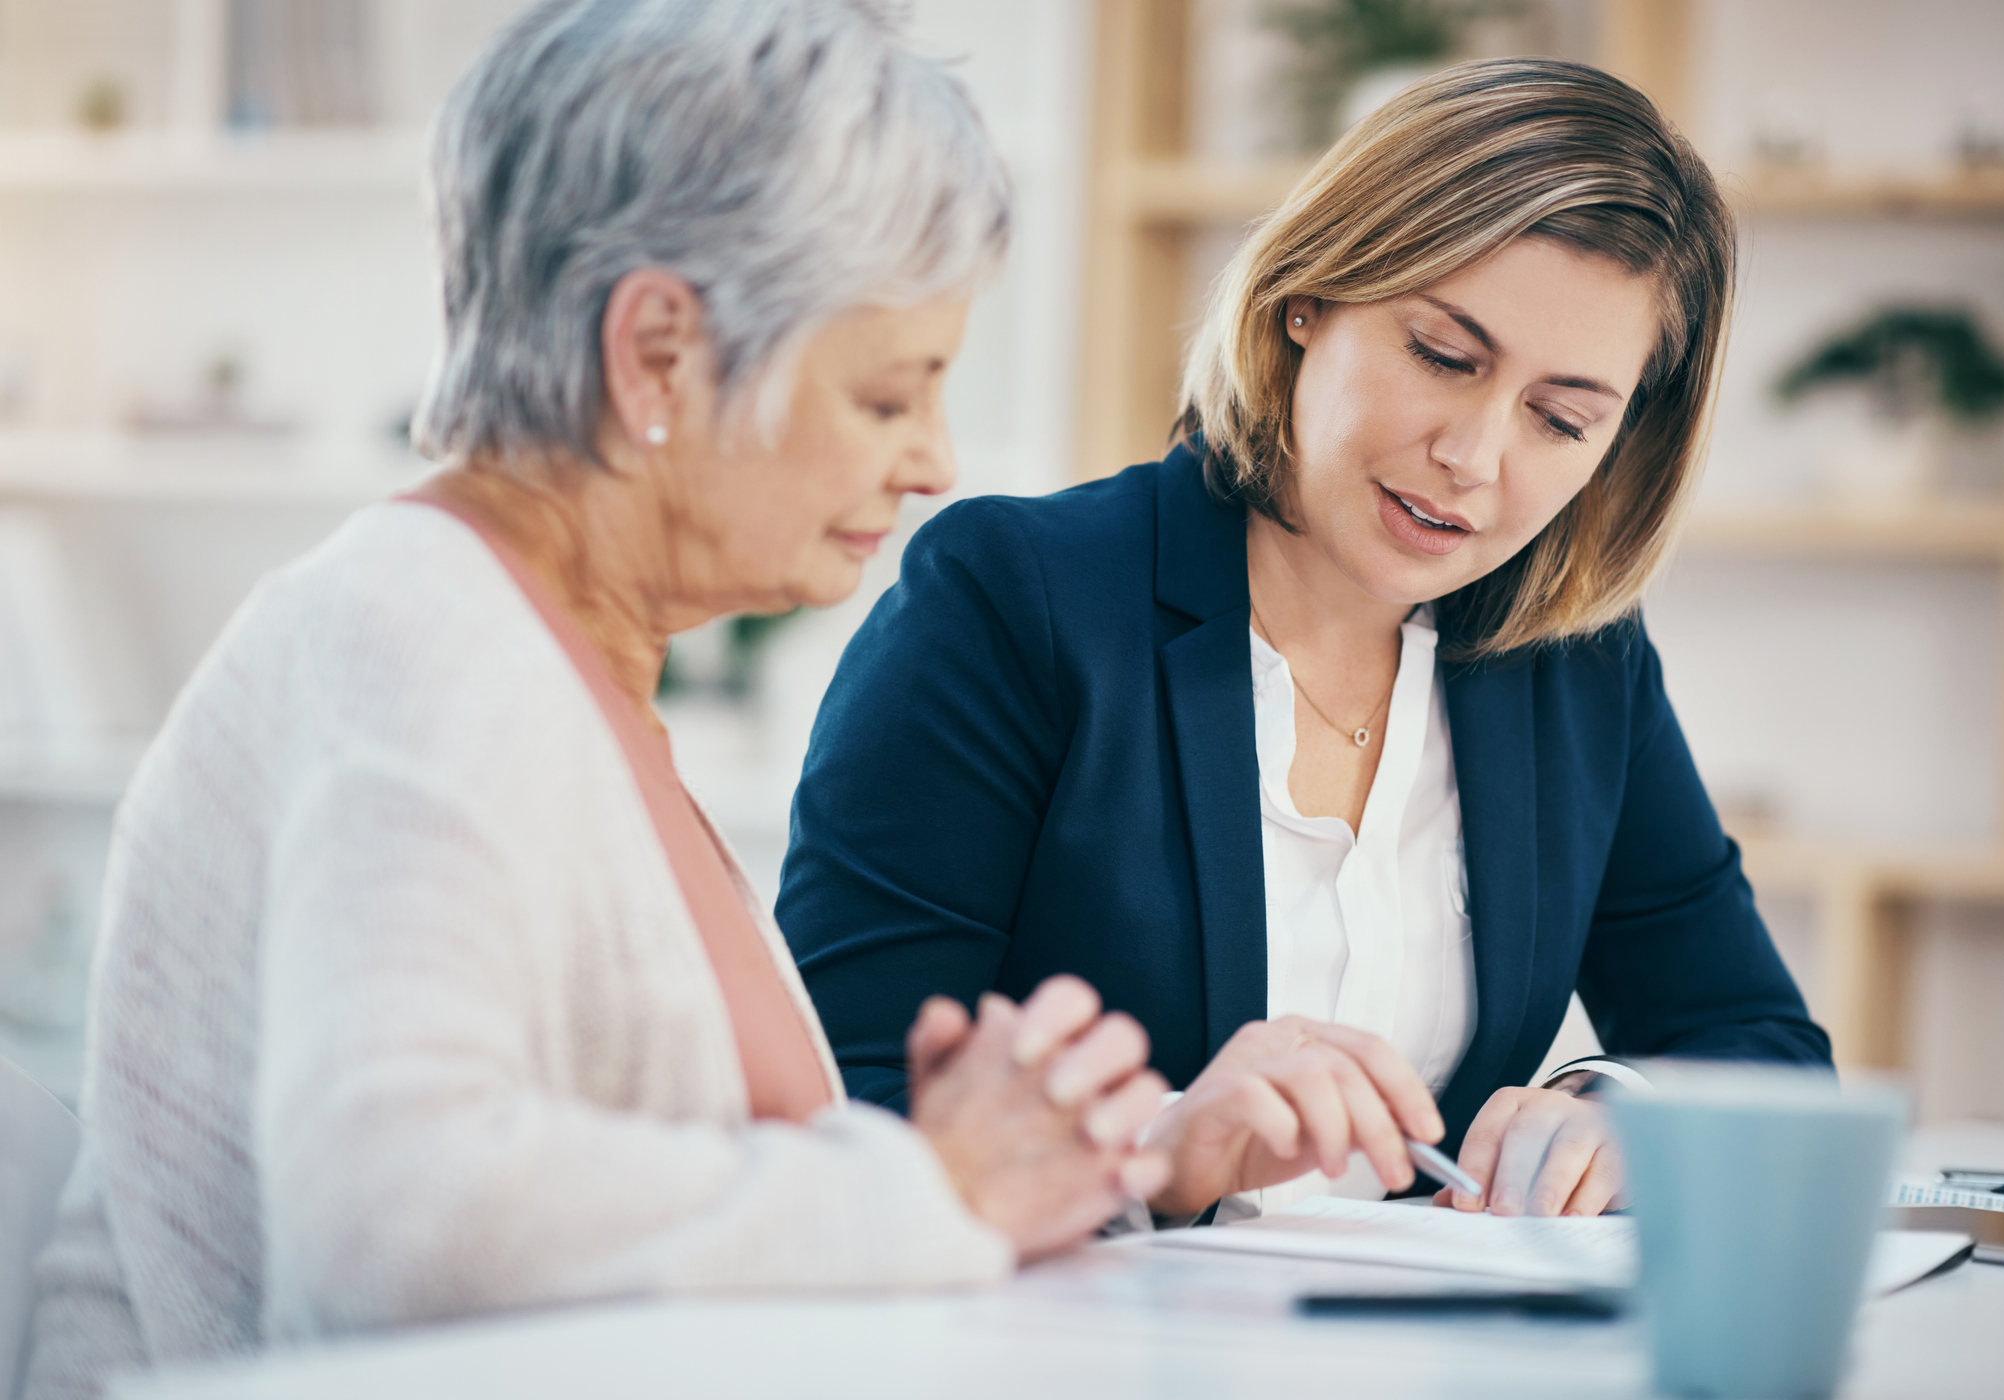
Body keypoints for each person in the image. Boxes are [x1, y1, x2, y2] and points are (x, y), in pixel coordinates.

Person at [24, 2, 1171, 1393]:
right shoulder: (419, 637)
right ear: (657, 354)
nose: (933, 461)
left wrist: (1075, 1167)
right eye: (886, 398)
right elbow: (397, 1222)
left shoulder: (554, 668)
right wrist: (927, 1190)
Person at [777, 58, 1831, 1228]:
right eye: (1444, 355)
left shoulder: (1576, 666)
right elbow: (831, 1100)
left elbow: (1765, 1052)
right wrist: (1162, 1152)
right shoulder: (1011, 600)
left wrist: (1619, 1110)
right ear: (1309, 298)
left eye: (1561, 417)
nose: (1474, 458)